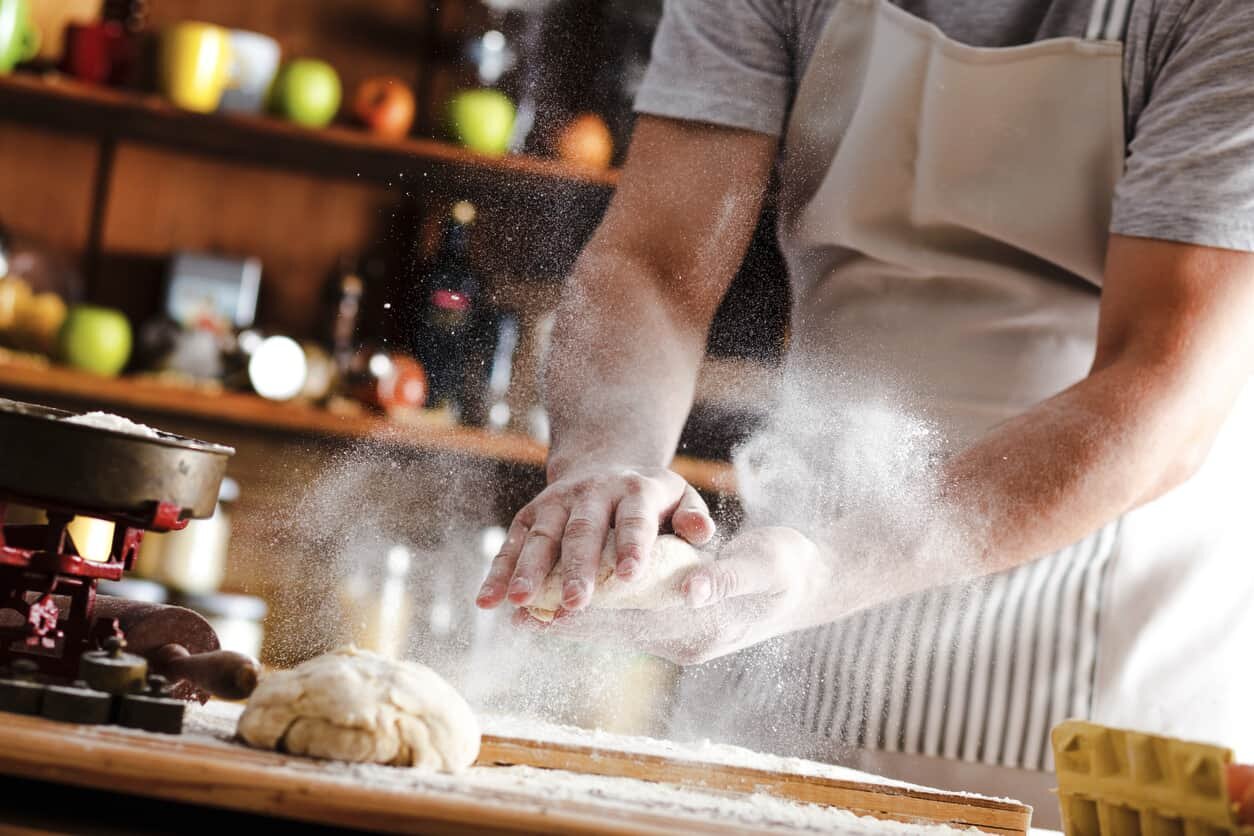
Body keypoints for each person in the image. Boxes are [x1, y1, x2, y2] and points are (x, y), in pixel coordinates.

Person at [475, 0, 1254, 819]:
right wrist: (611, 464)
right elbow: (656, 263)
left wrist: (827, 572)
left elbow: (1161, 386)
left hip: (1094, 672)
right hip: (794, 635)